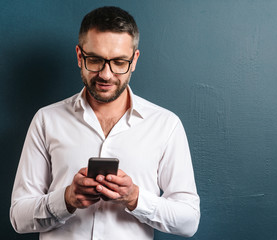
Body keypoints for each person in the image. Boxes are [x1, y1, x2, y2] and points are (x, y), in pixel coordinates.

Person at [10, 6, 200, 240]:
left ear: (134, 60)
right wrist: (67, 199)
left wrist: (135, 198)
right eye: (95, 60)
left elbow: (189, 221)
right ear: (80, 56)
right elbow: (19, 217)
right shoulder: (47, 120)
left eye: (119, 62)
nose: (106, 74)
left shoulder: (166, 125)